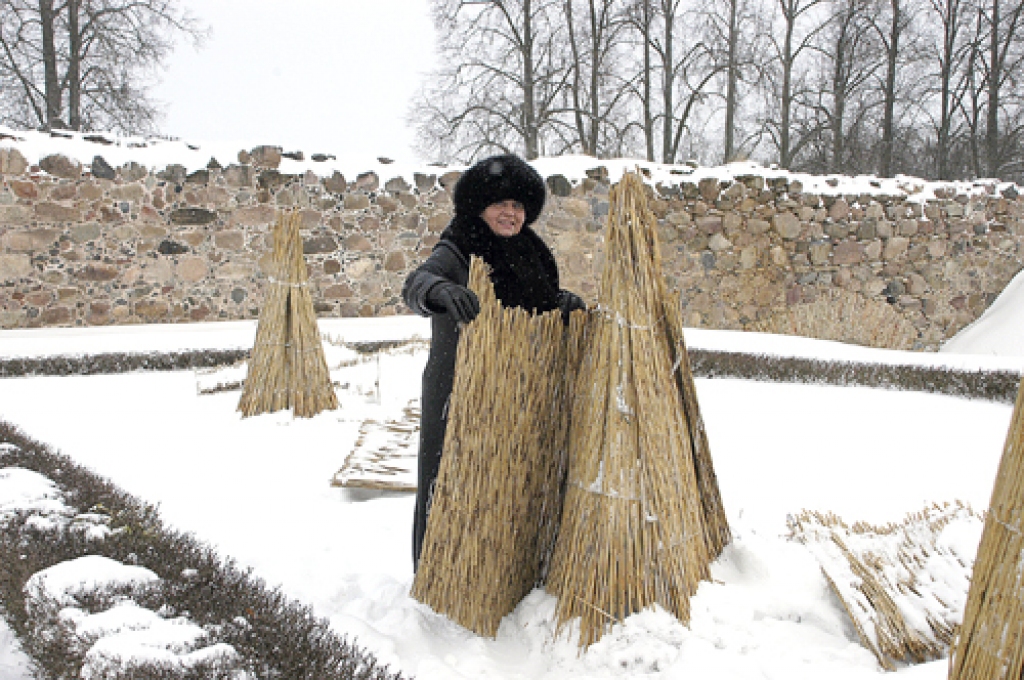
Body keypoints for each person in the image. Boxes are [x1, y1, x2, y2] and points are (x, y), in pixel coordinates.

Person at [402, 153, 586, 571]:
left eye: (518, 206)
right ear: (481, 207)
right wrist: (440, 292)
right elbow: (416, 283)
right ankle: (438, 572)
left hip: (518, 392)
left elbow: (538, 304)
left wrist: (562, 303)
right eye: (501, 204)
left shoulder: (533, 254)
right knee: (449, 482)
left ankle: (506, 572)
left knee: (509, 485)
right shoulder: (459, 246)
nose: (510, 213)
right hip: (459, 389)